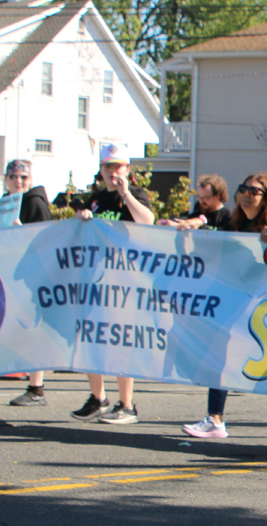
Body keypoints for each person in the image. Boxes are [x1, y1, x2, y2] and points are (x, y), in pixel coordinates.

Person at [182, 173, 267, 440]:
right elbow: (213, 237)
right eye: (243, 189)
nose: (246, 195)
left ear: (266, 197)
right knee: (220, 350)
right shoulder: (233, 223)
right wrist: (193, 226)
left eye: (254, 191)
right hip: (238, 297)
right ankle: (215, 419)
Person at [70, 143, 154, 425]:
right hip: (96, 278)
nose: (113, 172)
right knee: (89, 336)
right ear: (101, 169)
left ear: (127, 169)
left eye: (118, 166)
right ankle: (98, 398)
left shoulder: (135, 194)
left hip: (124, 279)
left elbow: (148, 221)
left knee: (120, 340)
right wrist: (81, 218)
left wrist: (125, 194)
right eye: (108, 166)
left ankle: (127, 405)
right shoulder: (96, 199)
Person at [0, 160, 53, 406]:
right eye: (14, 176)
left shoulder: (35, 203)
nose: (18, 181)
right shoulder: (0, 206)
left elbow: (47, 241)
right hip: (2, 274)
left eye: (23, 177)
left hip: (30, 277)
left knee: (32, 331)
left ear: (30, 180)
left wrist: (21, 231)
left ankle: (36, 389)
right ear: (6, 179)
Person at [157, 174, 231, 231]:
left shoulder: (228, 217)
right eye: (200, 197)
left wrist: (200, 224)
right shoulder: (197, 213)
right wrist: (173, 225)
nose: (202, 201)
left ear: (218, 196)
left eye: (206, 198)